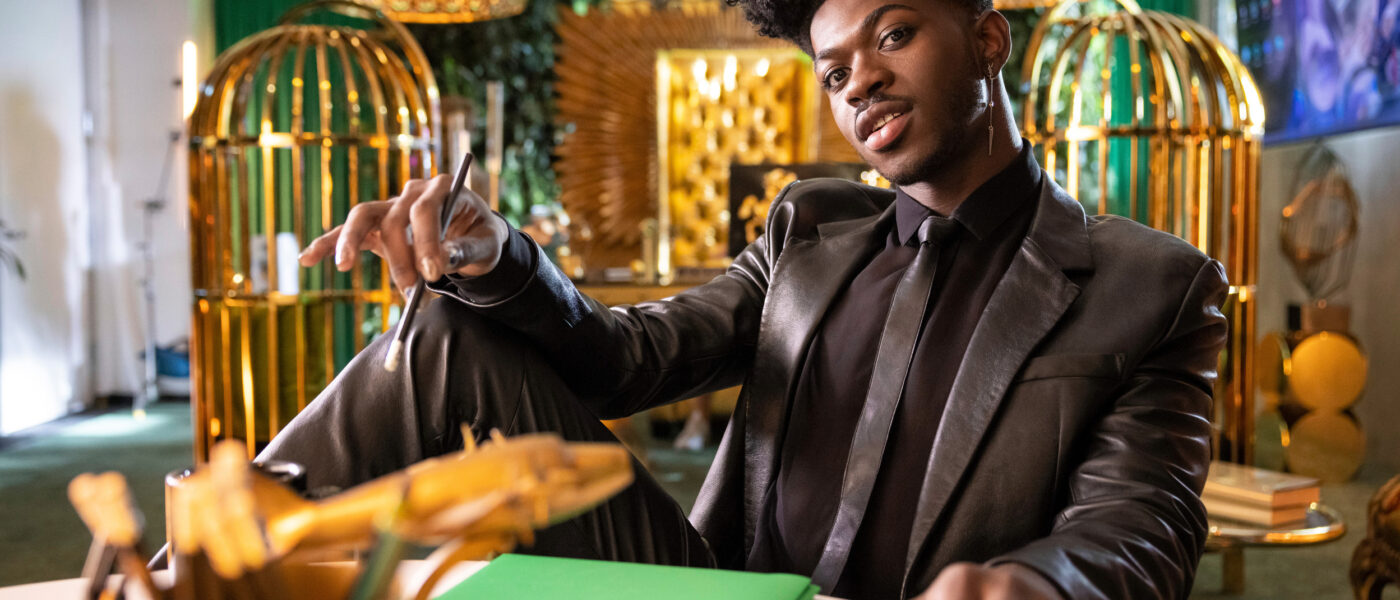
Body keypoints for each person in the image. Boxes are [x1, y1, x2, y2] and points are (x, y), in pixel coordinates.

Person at [265, 0, 1228, 597]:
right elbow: (626, 358)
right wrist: (496, 252)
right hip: (720, 592)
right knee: (443, 331)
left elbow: (1144, 522)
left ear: (986, 40)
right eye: (837, 69)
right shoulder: (808, 230)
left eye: (895, 34)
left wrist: (1035, 583)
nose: (864, 84)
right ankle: (210, 550)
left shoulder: (1151, 283)